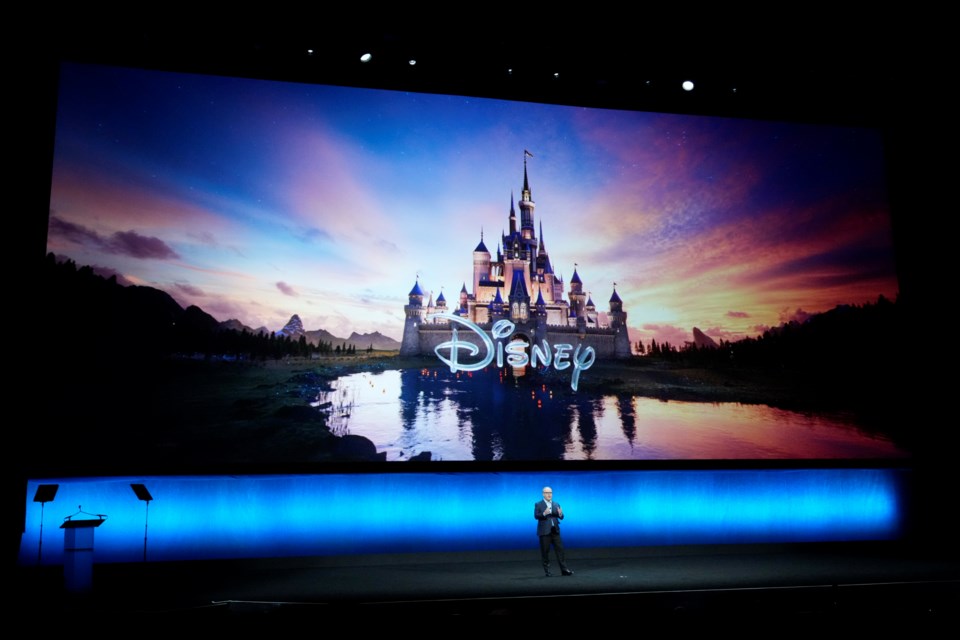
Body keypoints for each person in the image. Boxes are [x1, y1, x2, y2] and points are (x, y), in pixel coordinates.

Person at [534, 486, 573, 576]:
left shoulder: (556, 504)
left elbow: (561, 517)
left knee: (560, 550)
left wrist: (560, 514)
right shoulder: (538, 504)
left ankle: (564, 570)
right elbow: (536, 516)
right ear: (543, 494)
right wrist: (544, 513)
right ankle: (547, 571)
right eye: (547, 493)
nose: (549, 494)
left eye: (550, 493)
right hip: (544, 531)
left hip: (555, 531)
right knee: (545, 552)